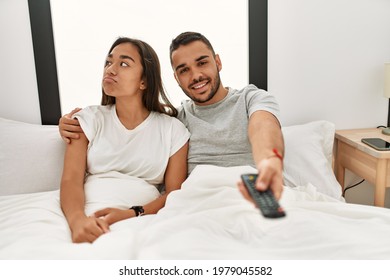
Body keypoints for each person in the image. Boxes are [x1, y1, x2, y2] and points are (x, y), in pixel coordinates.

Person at [59, 31, 284, 203]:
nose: (195, 75)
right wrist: (69, 124)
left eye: (202, 62)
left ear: (218, 62)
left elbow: (263, 127)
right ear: (176, 78)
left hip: (254, 188)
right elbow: (138, 121)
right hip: (197, 201)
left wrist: (269, 161)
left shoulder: (251, 99)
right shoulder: (178, 119)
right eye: (184, 70)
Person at [60, 37, 189, 243]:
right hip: (89, 212)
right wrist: (78, 221)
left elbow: (174, 194)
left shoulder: (173, 130)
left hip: (144, 218)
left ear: (144, 81)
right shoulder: (89, 119)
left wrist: (132, 213)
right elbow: (70, 180)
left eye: (123, 64)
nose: (110, 69)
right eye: (108, 62)